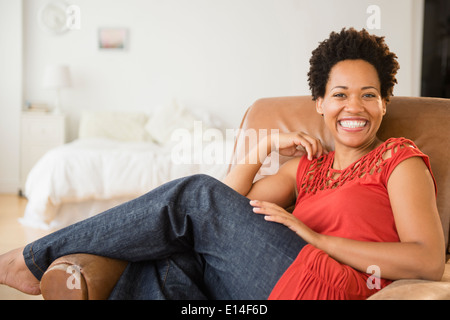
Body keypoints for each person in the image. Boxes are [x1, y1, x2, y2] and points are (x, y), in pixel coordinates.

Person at [0, 28, 446, 300]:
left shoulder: (399, 160)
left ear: (385, 103)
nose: (356, 106)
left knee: (192, 193)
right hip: (274, 278)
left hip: (329, 286)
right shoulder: (307, 168)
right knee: (166, 265)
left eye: (369, 94)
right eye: (340, 94)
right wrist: (262, 147)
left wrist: (317, 239)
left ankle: (30, 257)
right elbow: (222, 212)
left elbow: (426, 260)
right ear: (320, 102)